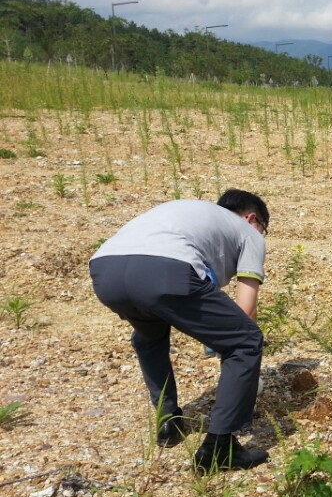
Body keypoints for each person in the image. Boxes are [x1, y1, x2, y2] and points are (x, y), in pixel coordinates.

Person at [89, 189, 270, 473]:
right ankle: (220, 447)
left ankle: (168, 421)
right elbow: (244, 311)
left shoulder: (194, 215)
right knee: (246, 341)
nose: (261, 234)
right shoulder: (249, 234)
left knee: (149, 335)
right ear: (251, 219)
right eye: (263, 228)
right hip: (163, 270)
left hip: (105, 270)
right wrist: (238, 346)